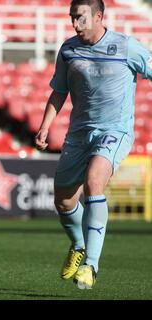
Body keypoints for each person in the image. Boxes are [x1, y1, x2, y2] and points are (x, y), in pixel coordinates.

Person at [35, 0, 152, 289]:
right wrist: (45, 126)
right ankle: (79, 245)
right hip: (78, 135)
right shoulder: (68, 49)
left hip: (115, 131)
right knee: (63, 200)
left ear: (99, 16)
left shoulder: (127, 47)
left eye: (81, 18)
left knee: (94, 181)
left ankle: (91, 266)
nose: (75, 24)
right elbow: (59, 91)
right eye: (72, 18)